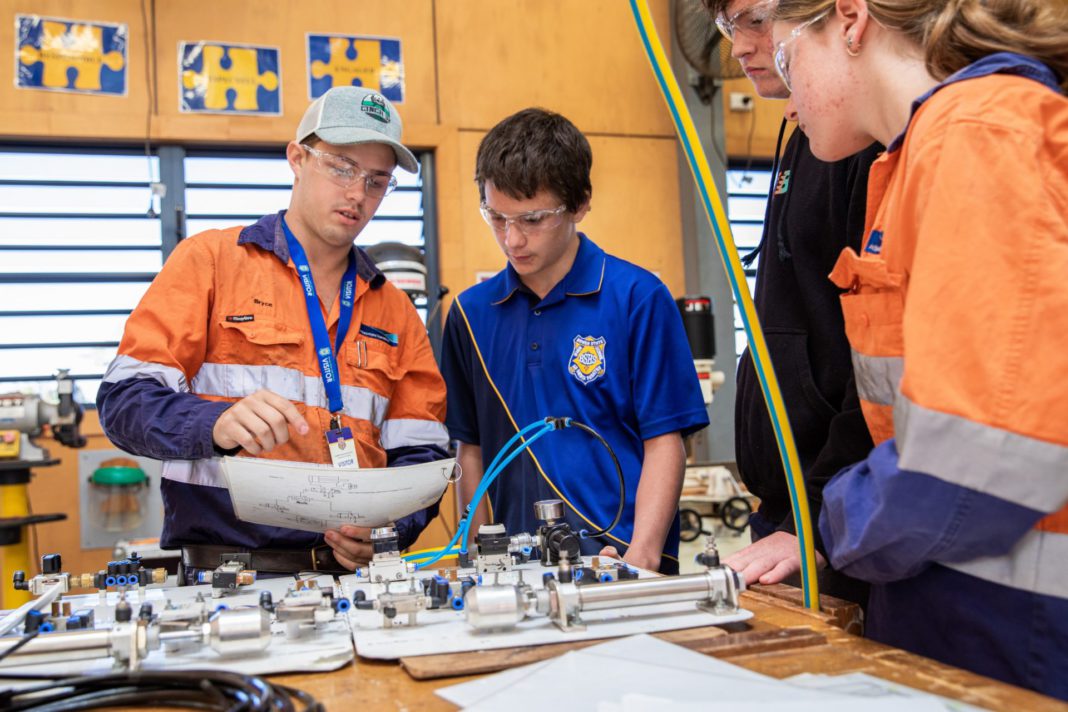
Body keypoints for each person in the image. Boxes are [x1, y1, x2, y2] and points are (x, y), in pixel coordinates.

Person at [771, 0, 1068, 698]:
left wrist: (837, 516)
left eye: (788, 61)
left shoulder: (981, 131)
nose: (784, 100)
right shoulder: (914, 157)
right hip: (945, 605)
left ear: (849, 19)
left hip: (1008, 629)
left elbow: (980, 461)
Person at [97, 86, 450, 582]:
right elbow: (124, 403)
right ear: (297, 158)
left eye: (376, 181)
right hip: (224, 580)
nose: (357, 194)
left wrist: (391, 528)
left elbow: (423, 453)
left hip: (348, 581)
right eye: (342, 167)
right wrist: (214, 424)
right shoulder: (212, 262)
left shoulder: (396, 312)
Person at [440, 108, 709, 574]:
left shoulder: (638, 299)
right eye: (496, 217)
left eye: (533, 219)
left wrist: (641, 555)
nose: (512, 239)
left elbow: (665, 440)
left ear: (581, 203)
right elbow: (471, 450)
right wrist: (477, 558)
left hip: (617, 561)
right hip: (514, 572)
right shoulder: (470, 315)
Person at [705, 0, 879, 606]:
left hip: (844, 512)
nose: (743, 47)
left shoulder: (866, 142)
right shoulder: (804, 134)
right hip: (792, 509)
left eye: (756, 20)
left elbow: (884, 370)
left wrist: (822, 518)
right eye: (731, 28)